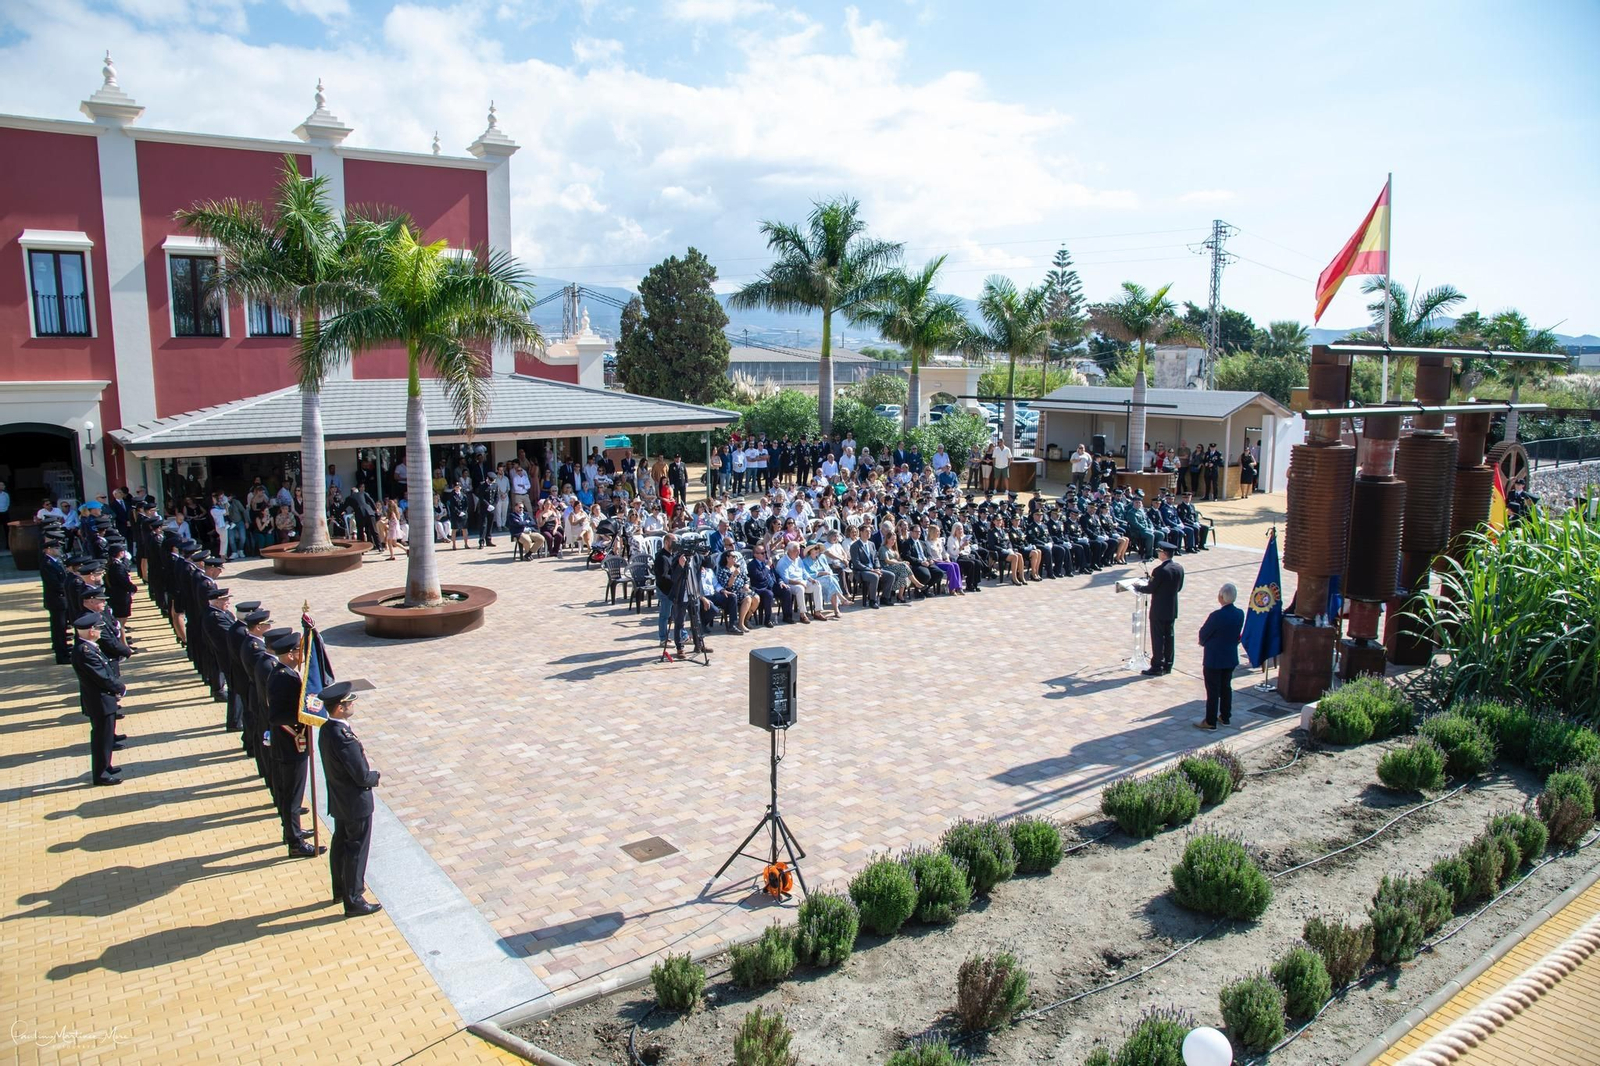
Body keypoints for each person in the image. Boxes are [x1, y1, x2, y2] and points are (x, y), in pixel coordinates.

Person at [316, 682, 383, 917]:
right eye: (349, 702)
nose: (352, 704)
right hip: (355, 802)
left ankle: (340, 889)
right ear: (340, 708)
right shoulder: (342, 736)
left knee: (341, 844)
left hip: (340, 800)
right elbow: (361, 775)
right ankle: (354, 898)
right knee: (356, 849)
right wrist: (375, 777)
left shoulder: (327, 729)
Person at [266, 632, 323, 858]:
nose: (301, 656)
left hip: (291, 743)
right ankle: (295, 842)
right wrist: (303, 716)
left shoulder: (283, 673)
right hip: (290, 744)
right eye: (299, 652)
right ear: (290, 654)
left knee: (293, 795)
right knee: (292, 795)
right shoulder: (284, 678)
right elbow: (278, 715)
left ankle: (293, 830)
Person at [72, 612, 125, 785]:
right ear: (90, 631)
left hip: (103, 699)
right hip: (99, 701)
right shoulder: (85, 651)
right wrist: (119, 687)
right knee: (102, 737)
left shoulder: (88, 646)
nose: (100, 631)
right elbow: (101, 677)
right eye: (98, 629)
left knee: (107, 735)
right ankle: (101, 774)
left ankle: (106, 765)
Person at [1197, 583, 1245, 729]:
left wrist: (1203, 642)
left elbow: (1204, 634)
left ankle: (1210, 721)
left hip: (1214, 657)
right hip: (1230, 656)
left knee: (1212, 690)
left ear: (1221, 597)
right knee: (1226, 688)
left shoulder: (1216, 616)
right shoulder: (1239, 613)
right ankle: (1225, 716)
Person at [1135, 541, 1185, 676]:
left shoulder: (1159, 571)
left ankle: (1157, 665)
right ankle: (1168, 663)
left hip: (1158, 609)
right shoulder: (1179, 568)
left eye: (1159, 552)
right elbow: (1179, 588)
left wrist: (1137, 586)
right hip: (1171, 608)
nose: (1158, 553)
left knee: (1158, 638)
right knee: (1169, 636)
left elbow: (1150, 588)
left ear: (1164, 554)